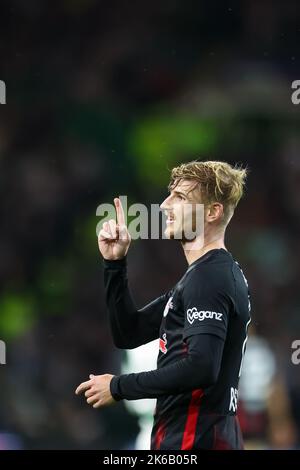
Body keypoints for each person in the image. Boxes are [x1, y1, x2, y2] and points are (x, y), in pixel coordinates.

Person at [76, 160, 251, 450]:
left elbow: (202, 366)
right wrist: (115, 264)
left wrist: (119, 387)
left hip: (196, 438)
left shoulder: (210, 277)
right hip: (187, 435)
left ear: (212, 212)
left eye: (180, 198)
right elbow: (128, 333)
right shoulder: (201, 276)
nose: (164, 206)